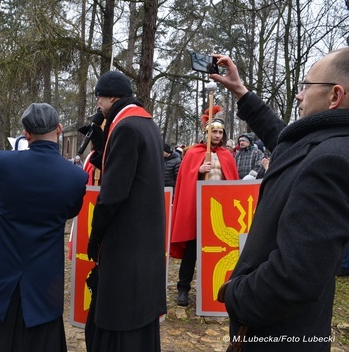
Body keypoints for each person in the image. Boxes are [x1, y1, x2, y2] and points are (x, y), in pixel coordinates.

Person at [212, 49, 349, 351]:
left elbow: (296, 276)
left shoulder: (331, 161)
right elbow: (284, 138)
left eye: (307, 86)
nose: (299, 96)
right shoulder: (322, 143)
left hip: (279, 335)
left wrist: (237, 295)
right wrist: (240, 90)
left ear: (334, 96)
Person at [0, 103, 87, 352]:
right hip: (44, 274)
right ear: (60, 129)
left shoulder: (6, 162)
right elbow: (72, 211)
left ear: (26, 133)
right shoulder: (75, 176)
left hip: (2, 269)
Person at [85, 70, 166, 352]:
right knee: (138, 305)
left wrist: (95, 238)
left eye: (100, 97)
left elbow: (112, 194)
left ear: (113, 97)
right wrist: (100, 147)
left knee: (122, 310)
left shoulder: (126, 128)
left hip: (126, 239)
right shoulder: (145, 123)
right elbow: (132, 171)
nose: (98, 104)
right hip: (145, 236)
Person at [169, 106, 238, 307]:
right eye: (213, 132)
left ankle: (218, 289)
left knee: (219, 252)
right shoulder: (193, 154)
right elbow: (184, 179)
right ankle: (183, 288)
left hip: (219, 211)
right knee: (192, 250)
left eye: (219, 132)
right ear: (206, 133)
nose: (217, 135)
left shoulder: (227, 155)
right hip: (198, 209)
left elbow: (233, 183)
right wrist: (197, 170)